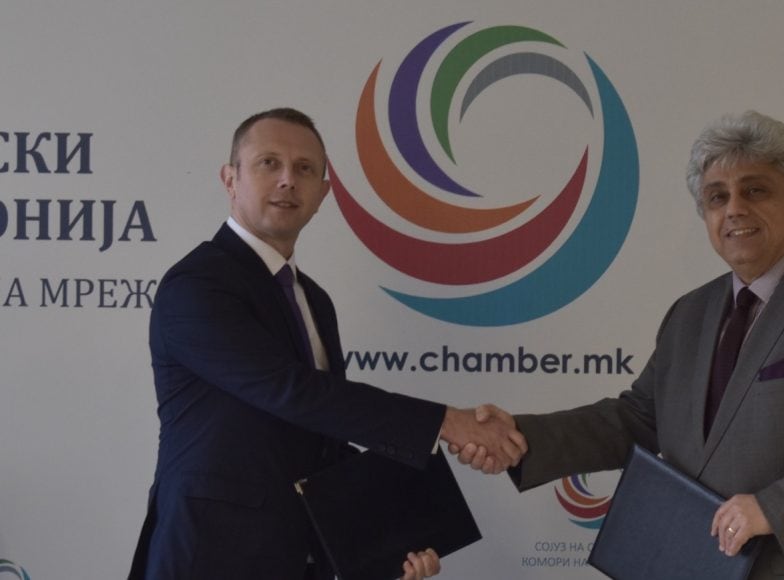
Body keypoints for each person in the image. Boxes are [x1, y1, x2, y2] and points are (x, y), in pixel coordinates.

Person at [457, 111, 784, 578]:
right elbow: (638, 420)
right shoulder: (690, 313)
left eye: (755, 190)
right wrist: (519, 439)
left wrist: (774, 508)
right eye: (717, 197)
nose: (734, 209)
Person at [129, 107, 526, 580]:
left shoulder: (313, 299)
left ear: (323, 193)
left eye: (304, 169)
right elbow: (290, 392)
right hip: (207, 557)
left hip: (299, 560)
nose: (287, 180)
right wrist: (446, 422)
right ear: (230, 179)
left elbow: (322, 441)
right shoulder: (196, 285)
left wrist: (392, 539)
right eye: (269, 163)